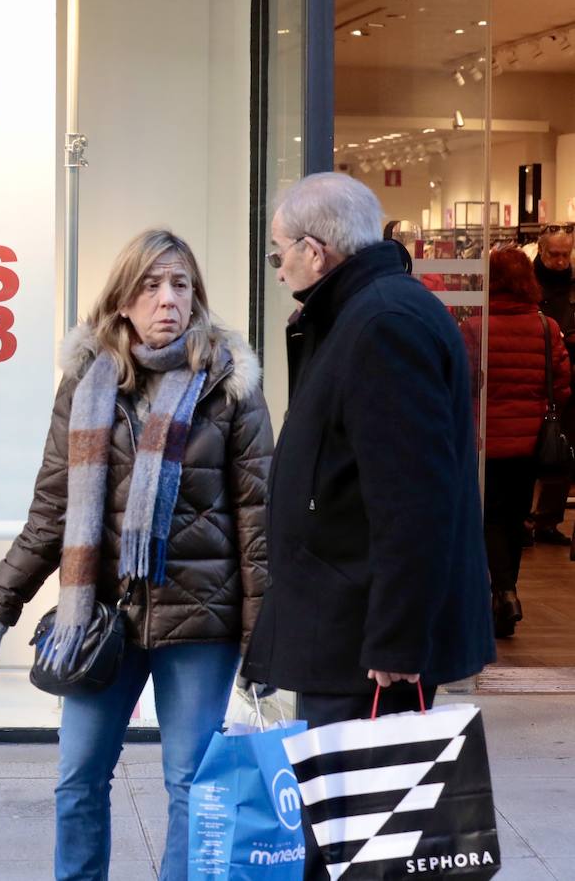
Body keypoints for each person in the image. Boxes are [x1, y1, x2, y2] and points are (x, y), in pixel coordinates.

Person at [0, 229, 273, 881]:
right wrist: (0, 603)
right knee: (78, 776)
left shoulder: (227, 382)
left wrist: (265, 639)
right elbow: (53, 510)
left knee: (191, 785)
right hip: (101, 620)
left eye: (181, 285)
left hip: (202, 621)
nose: (168, 299)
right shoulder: (87, 383)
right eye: (151, 284)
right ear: (121, 298)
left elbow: (258, 524)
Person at [240, 173, 495, 879]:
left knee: (362, 842)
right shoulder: (362, 314)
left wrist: (397, 640)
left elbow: (413, 499)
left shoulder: (381, 323)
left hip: (365, 640)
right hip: (346, 621)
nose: (279, 265)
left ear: (316, 251)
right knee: (351, 834)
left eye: (279, 252)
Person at [462, 247, 570, 637]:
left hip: (485, 440)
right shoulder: (546, 327)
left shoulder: (475, 327)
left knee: (489, 516)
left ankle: (503, 593)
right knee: (515, 518)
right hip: (530, 442)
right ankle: (507, 595)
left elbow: (463, 382)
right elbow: (561, 383)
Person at [530, 227, 575, 544]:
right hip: (535, 375)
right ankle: (524, 519)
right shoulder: (528, 283)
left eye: (565, 255)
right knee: (531, 451)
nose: (560, 261)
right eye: (554, 254)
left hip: (569, 376)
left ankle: (548, 520)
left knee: (563, 450)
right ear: (541, 252)